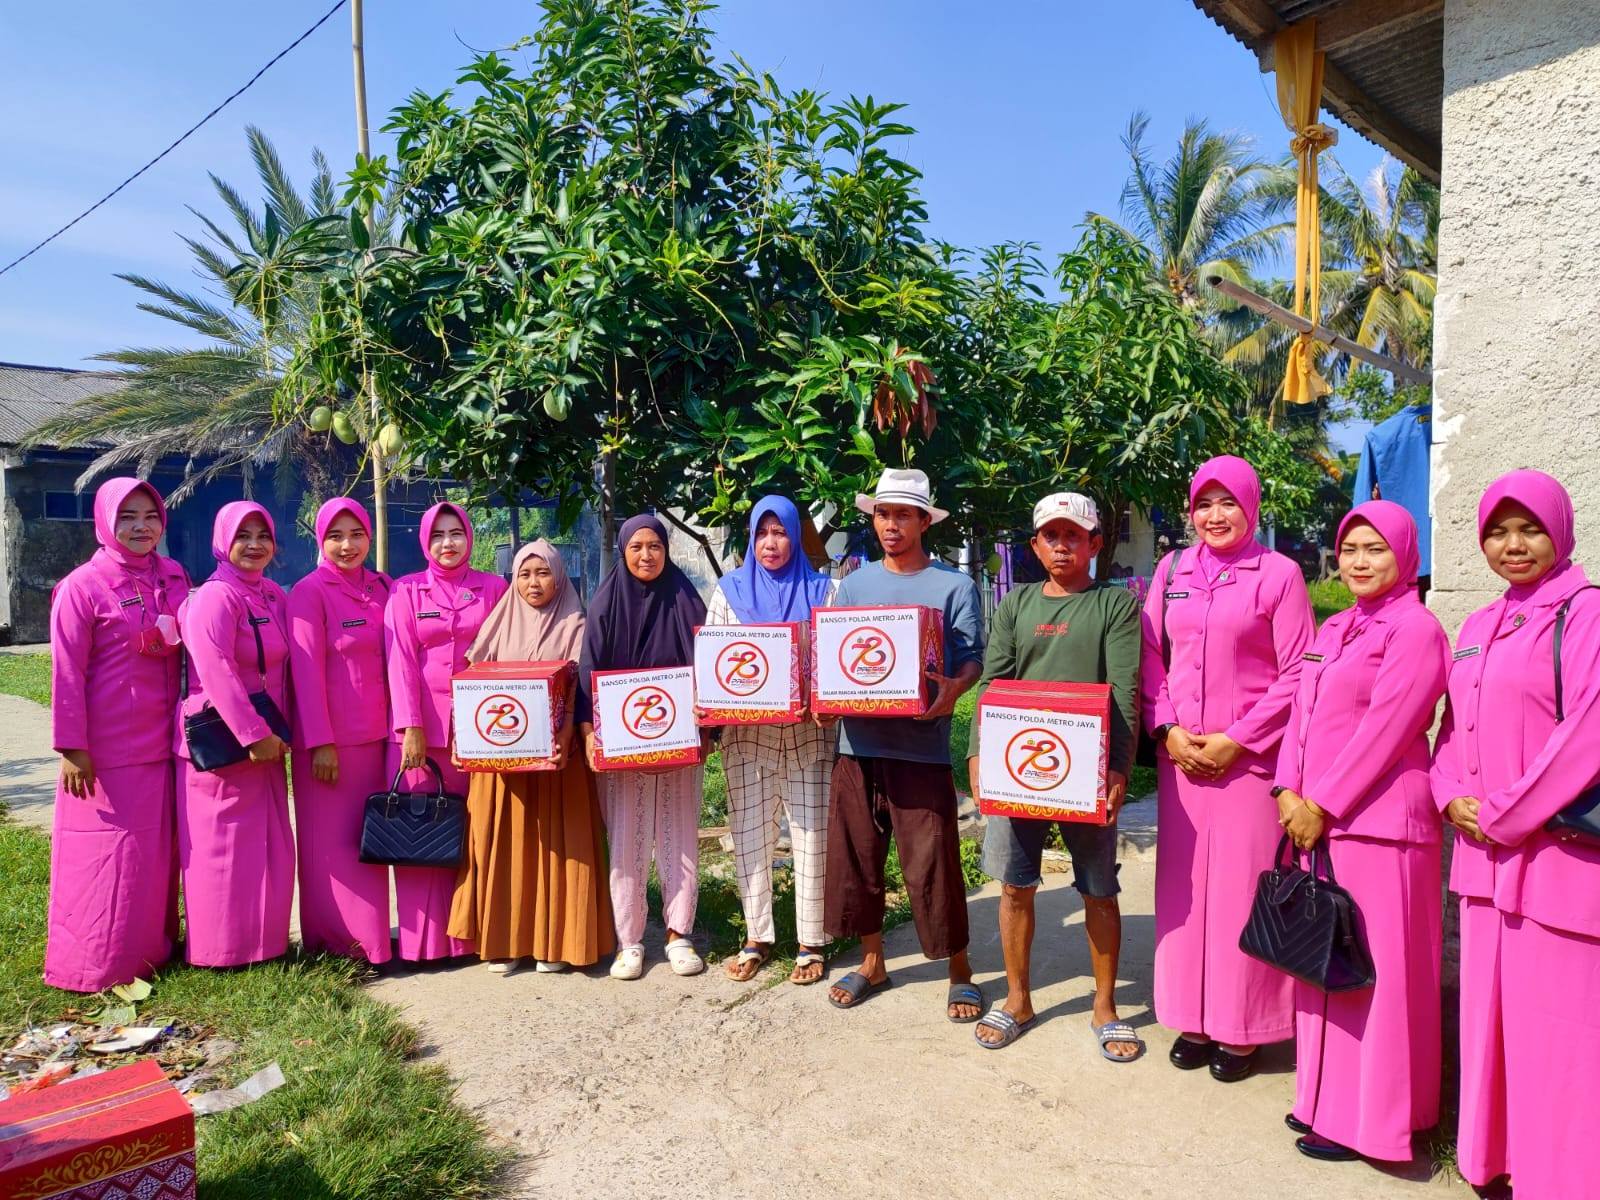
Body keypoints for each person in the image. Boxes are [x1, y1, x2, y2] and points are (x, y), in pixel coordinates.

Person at [1432, 470, 1600, 1200]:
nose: (1513, 545)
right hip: (1482, 863)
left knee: (1560, 1036)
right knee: (1491, 1023)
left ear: (1559, 530)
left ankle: (1561, 1179)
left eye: (1529, 528)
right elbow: (1449, 731)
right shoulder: (1477, 625)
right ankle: (1494, 1162)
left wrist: (1498, 813)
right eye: (1498, 532)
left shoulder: (1586, 611)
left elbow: (1586, 733)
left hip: (1554, 860)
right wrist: (1448, 798)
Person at [1273, 501, 1448, 1163]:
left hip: (1379, 825)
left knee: (1377, 975)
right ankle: (1323, 1102)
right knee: (1326, 963)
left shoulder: (1416, 628)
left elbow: (1391, 727)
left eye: (1375, 549)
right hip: (1320, 821)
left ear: (1406, 554)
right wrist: (1287, 789)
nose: (1360, 562)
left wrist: (1322, 801)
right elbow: (1302, 715)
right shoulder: (1336, 625)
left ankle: (1382, 1123)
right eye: (1350, 550)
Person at [1140, 455, 1314, 1081]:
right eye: (1204, 505)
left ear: (1252, 507)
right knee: (1186, 891)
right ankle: (1192, 1014)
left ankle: (1244, 1028)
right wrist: (1169, 729)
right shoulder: (1172, 569)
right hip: (1183, 760)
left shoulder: (1281, 575)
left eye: (1228, 503)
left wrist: (1238, 741)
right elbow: (1152, 655)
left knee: (1242, 890)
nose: (1215, 516)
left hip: (1249, 765)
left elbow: (1299, 670)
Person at [964, 492, 1143, 1056]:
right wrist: (976, 756)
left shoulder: (1114, 606)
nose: (1062, 545)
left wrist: (1117, 768)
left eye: (1074, 535)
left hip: (1085, 774)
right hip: (1018, 767)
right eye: (1051, 536)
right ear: (1036, 545)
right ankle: (1018, 998)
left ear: (1094, 543)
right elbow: (992, 686)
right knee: (1015, 886)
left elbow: (1125, 692)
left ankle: (1106, 1004)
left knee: (1098, 889)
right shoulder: (1016, 605)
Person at [822, 468, 986, 1021]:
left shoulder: (953, 586)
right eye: (882, 513)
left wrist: (957, 690)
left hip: (921, 747)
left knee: (933, 862)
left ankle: (959, 968)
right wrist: (824, 697)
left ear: (923, 521)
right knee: (858, 859)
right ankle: (873, 961)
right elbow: (839, 657)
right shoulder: (854, 585)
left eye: (902, 515)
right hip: (857, 744)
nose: (890, 524)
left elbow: (971, 658)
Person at [45, 478, 189, 992]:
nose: (140, 527)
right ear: (106, 521)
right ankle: (93, 963)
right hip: (107, 751)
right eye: (127, 517)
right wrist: (73, 749)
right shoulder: (82, 587)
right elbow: (66, 675)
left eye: (150, 516)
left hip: (166, 743)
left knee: (152, 858)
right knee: (104, 857)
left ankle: (151, 951)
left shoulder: (173, 577)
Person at [448, 540, 615, 975]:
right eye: (524, 574)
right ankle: (505, 942)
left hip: (560, 760)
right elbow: (475, 688)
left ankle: (557, 941)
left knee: (560, 848)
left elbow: (582, 690)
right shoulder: (499, 622)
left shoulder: (577, 623)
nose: (533, 583)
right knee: (504, 844)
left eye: (542, 573)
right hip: (503, 764)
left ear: (559, 577)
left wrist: (564, 736)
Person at [702, 496, 836, 985]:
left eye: (781, 532)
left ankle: (811, 942)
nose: (771, 543)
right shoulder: (728, 592)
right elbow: (715, 664)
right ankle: (756, 937)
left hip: (809, 736)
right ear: (751, 538)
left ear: (797, 537)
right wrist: (710, 710)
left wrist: (823, 701)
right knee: (750, 836)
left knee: (811, 838)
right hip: (746, 740)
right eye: (762, 532)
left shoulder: (824, 591)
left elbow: (834, 666)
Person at [577, 514, 710, 980]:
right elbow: (587, 673)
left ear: (666, 551)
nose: (646, 556)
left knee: (680, 837)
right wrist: (591, 734)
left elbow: (708, 667)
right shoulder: (605, 604)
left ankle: (679, 934)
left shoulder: (686, 600)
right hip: (622, 746)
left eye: (655, 546)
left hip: (679, 744)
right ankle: (629, 941)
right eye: (636, 547)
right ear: (622, 551)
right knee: (627, 842)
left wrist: (706, 724)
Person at [385, 502, 508, 963]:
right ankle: (424, 944)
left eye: (456, 533)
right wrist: (410, 727)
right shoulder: (406, 591)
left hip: (482, 727)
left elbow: (505, 654)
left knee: (475, 831)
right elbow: (399, 661)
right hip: (426, 730)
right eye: (438, 535)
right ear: (425, 542)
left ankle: (473, 936)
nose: (448, 543)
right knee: (423, 832)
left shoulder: (494, 588)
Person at [176, 501, 294, 968]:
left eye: (262, 535)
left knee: (262, 848)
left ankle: (264, 945)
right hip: (224, 746)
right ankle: (220, 951)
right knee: (222, 853)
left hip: (266, 742)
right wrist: (252, 734)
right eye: (243, 535)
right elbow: (214, 669)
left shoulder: (268, 594)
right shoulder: (214, 596)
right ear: (223, 541)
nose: (254, 545)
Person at [287, 498, 393, 965]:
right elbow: (305, 675)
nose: (347, 545)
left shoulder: (383, 586)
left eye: (356, 534)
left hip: (378, 738)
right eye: (335, 536)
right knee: (330, 849)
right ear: (320, 541)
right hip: (330, 746)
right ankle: (334, 945)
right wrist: (320, 742)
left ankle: (372, 942)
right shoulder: (309, 592)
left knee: (367, 845)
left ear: (369, 536)